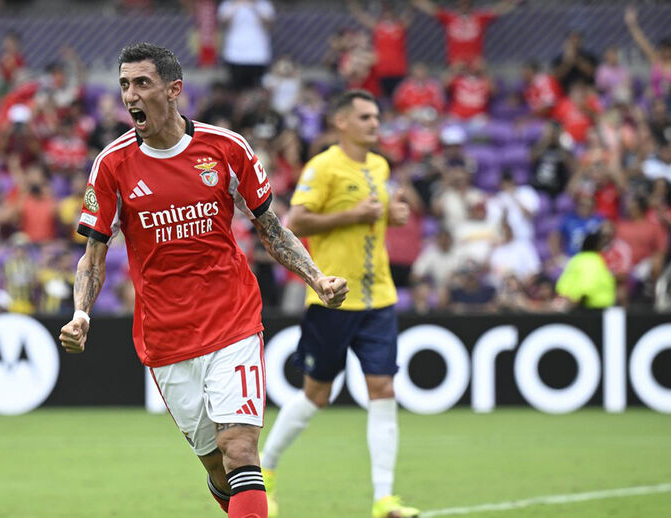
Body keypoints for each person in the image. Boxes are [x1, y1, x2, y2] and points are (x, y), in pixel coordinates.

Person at [58, 43, 347, 518]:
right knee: (217, 468)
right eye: (125, 85)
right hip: (166, 336)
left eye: (142, 83)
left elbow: (271, 229)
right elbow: (94, 255)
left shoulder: (226, 148)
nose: (131, 95)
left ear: (174, 90)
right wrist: (81, 313)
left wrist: (316, 277)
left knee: (239, 451)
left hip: (231, 319)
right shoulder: (112, 164)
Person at [259, 90, 418, 518]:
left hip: (379, 297)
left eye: (377, 116)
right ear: (341, 121)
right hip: (333, 297)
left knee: (383, 389)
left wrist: (390, 215)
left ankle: (385, 499)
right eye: (365, 116)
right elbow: (295, 220)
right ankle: (265, 474)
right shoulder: (324, 166)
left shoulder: (381, 166)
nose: (375, 123)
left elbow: (375, 213)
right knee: (316, 395)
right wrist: (354, 216)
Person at [410, 0, 521, 66]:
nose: (464, 6)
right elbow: (432, 9)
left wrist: (513, 2)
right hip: (455, 62)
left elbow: (497, 10)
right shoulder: (450, 18)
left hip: (475, 62)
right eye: (461, 3)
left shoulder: (479, 18)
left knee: (482, 70)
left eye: (467, 3)